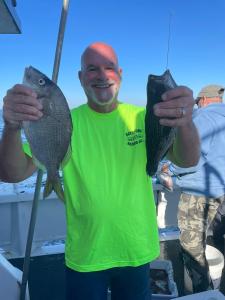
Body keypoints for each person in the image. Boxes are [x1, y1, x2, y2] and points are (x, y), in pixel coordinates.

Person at [0, 42, 200, 300]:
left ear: (121, 74)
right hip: (86, 254)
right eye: (92, 69)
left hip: (136, 251)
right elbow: (11, 174)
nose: (102, 75)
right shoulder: (61, 120)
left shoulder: (146, 116)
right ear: (81, 78)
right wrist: (12, 127)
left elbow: (188, 159)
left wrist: (185, 123)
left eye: (110, 67)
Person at [159, 84, 225, 294]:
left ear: (203, 100)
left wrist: (168, 167)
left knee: (192, 249)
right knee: (214, 239)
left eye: (197, 102)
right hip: (221, 192)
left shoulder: (203, 118)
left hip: (199, 195)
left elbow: (191, 159)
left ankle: (202, 293)